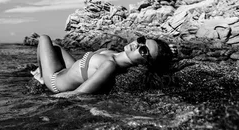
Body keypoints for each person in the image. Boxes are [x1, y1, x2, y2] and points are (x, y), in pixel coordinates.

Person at [35, 34, 176, 96]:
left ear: (145, 63)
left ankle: (42, 77)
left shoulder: (109, 65)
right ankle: (41, 73)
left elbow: (80, 93)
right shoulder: (111, 53)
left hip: (55, 81)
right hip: (69, 69)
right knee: (54, 46)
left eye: (143, 50)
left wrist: (53, 101)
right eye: (141, 41)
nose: (137, 45)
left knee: (44, 38)